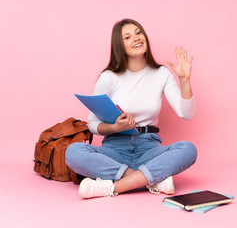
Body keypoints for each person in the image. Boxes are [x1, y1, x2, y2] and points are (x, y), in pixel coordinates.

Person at [65, 19, 197, 199]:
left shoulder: (161, 74)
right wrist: (114, 128)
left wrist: (184, 80)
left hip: (149, 148)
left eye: (138, 32)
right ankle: (151, 179)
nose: (136, 38)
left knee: (188, 149)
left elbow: (186, 114)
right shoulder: (108, 77)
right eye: (128, 37)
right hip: (114, 149)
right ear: (120, 46)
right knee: (73, 152)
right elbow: (92, 124)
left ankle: (112, 187)